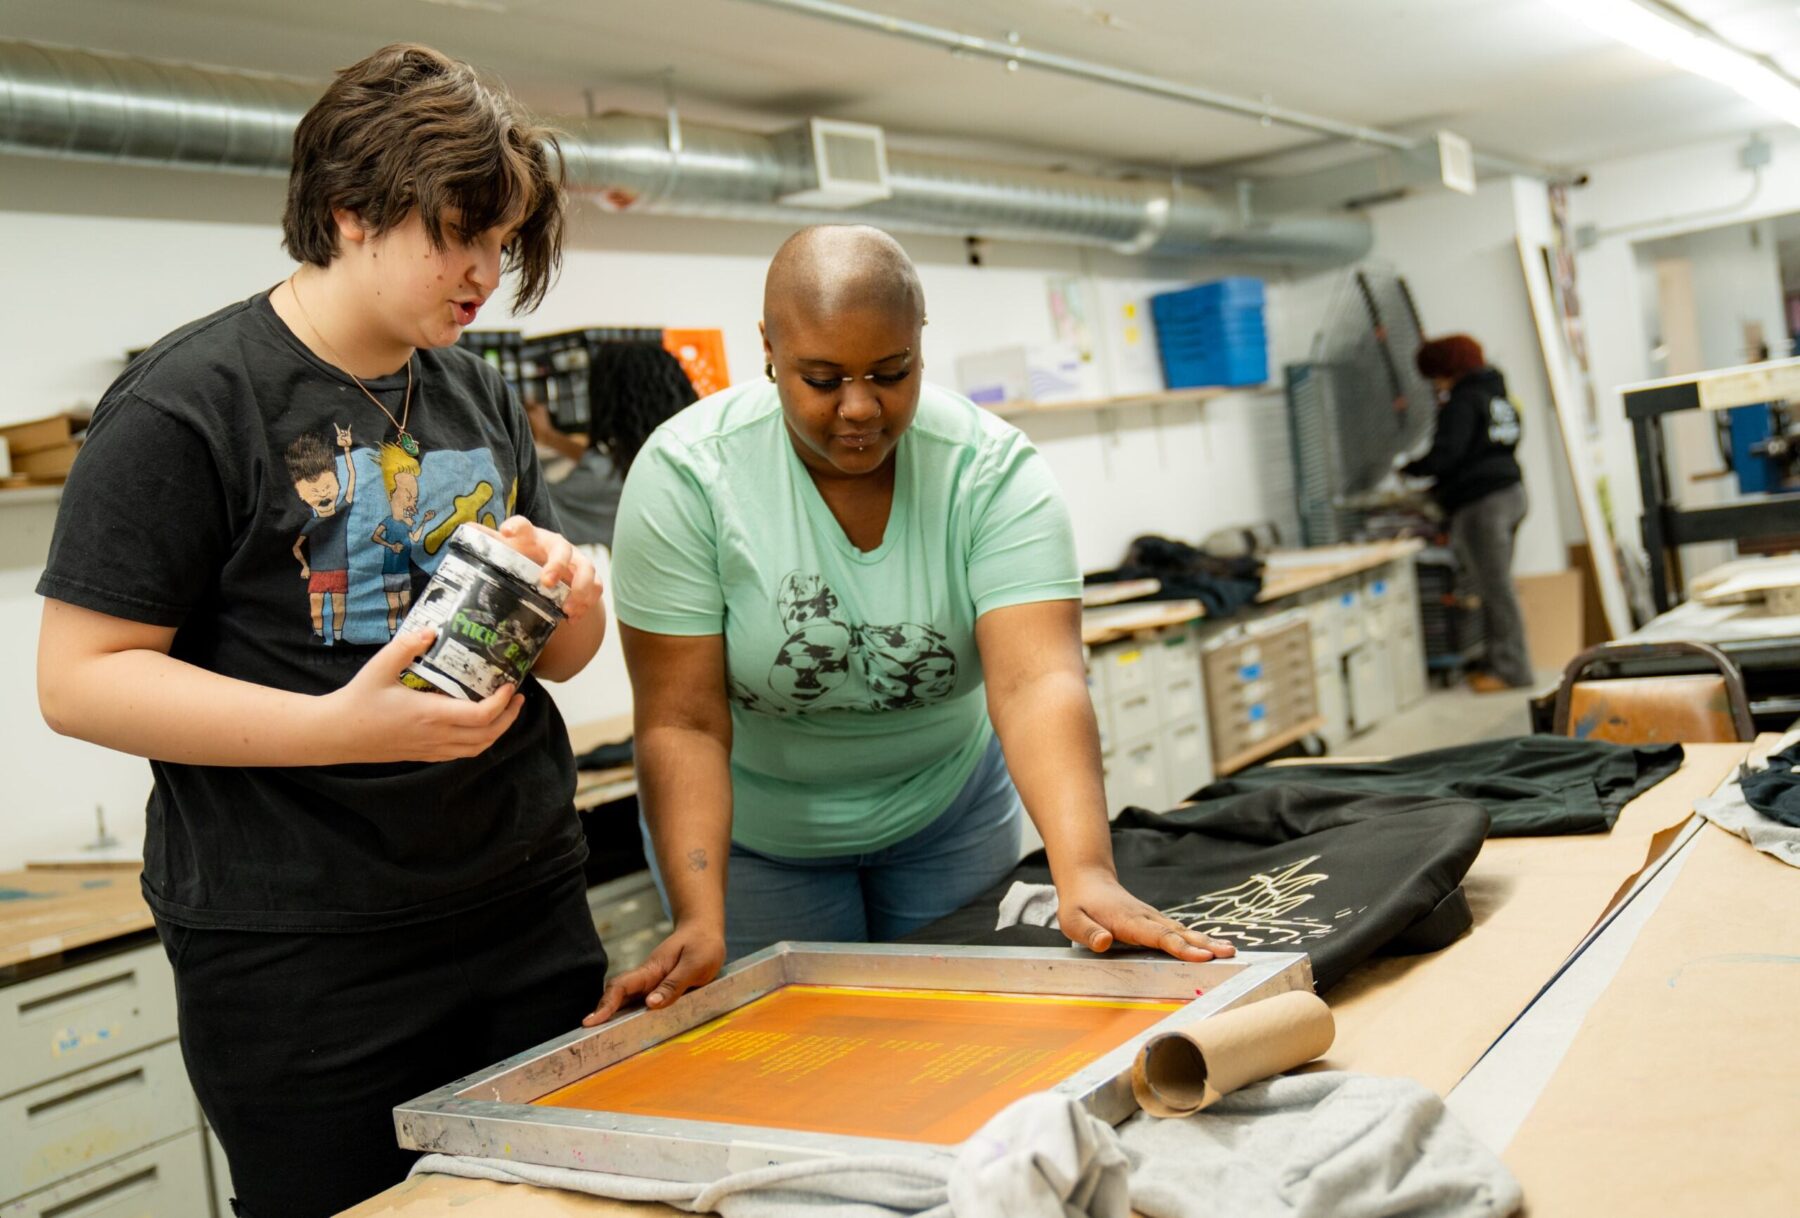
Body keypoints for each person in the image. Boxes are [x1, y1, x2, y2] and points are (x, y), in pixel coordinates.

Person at [34, 45, 608, 1217]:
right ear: (352, 210)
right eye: (465, 236)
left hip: (520, 901)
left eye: (504, 245)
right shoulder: (187, 403)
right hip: (305, 950)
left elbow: (554, 656)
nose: (487, 274)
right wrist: (337, 728)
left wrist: (573, 608)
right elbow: (79, 681)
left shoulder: (475, 388)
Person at [589, 225, 1233, 1025]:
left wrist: (1086, 871)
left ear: (919, 344)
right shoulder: (687, 475)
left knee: (968, 1031)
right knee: (813, 1057)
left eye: (891, 373)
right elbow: (681, 719)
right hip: (758, 842)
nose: (859, 407)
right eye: (821, 379)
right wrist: (698, 911)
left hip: (945, 816)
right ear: (768, 348)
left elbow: (1038, 682)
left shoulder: (992, 472)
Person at [1403, 334, 1533, 691]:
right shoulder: (1498, 396)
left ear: (1446, 369)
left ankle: (1512, 669)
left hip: (1484, 504)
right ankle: (1500, 663)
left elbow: (1447, 455)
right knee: (1497, 586)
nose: (1435, 384)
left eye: (1435, 376)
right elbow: (1502, 443)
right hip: (1513, 494)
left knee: (1496, 590)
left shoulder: (1462, 401)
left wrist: (1411, 469)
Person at [525, 340, 699, 548]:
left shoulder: (609, 480)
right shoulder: (685, 456)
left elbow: (536, 507)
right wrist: (550, 437)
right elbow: (604, 461)